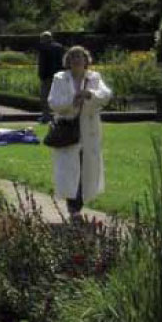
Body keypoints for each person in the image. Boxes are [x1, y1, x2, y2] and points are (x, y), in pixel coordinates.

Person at [48, 46, 113, 218]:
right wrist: (72, 101)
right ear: (68, 61)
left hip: (89, 130)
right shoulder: (60, 78)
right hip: (68, 128)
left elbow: (106, 95)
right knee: (70, 169)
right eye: (73, 57)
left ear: (86, 60)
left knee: (86, 168)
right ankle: (73, 208)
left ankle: (78, 205)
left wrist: (90, 94)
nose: (77, 60)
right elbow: (53, 102)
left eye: (80, 57)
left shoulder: (94, 77)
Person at [36, 31, 65, 124]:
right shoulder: (59, 47)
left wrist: (41, 74)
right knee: (59, 97)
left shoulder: (43, 48)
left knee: (44, 97)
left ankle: (46, 116)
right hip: (59, 75)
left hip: (47, 76)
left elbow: (42, 64)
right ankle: (60, 116)